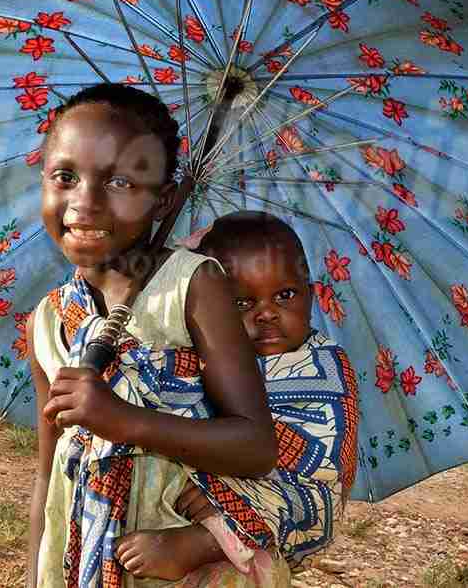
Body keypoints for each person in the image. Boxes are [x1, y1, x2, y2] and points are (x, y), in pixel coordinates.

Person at [25, 83, 288, 588]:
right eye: (65, 177)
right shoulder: (49, 320)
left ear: (164, 200)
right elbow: (47, 473)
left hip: (181, 562)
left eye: (121, 183)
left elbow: (256, 446)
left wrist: (121, 420)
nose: (86, 202)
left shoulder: (193, 287)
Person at [114, 211, 359, 580]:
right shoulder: (207, 354)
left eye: (285, 295)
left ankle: (206, 540)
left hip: (293, 497)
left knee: (300, 494)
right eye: (242, 304)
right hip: (215, 472)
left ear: (312, 292)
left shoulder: (325, 366)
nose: (267, 315)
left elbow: (324, 460)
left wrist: (228, 491)